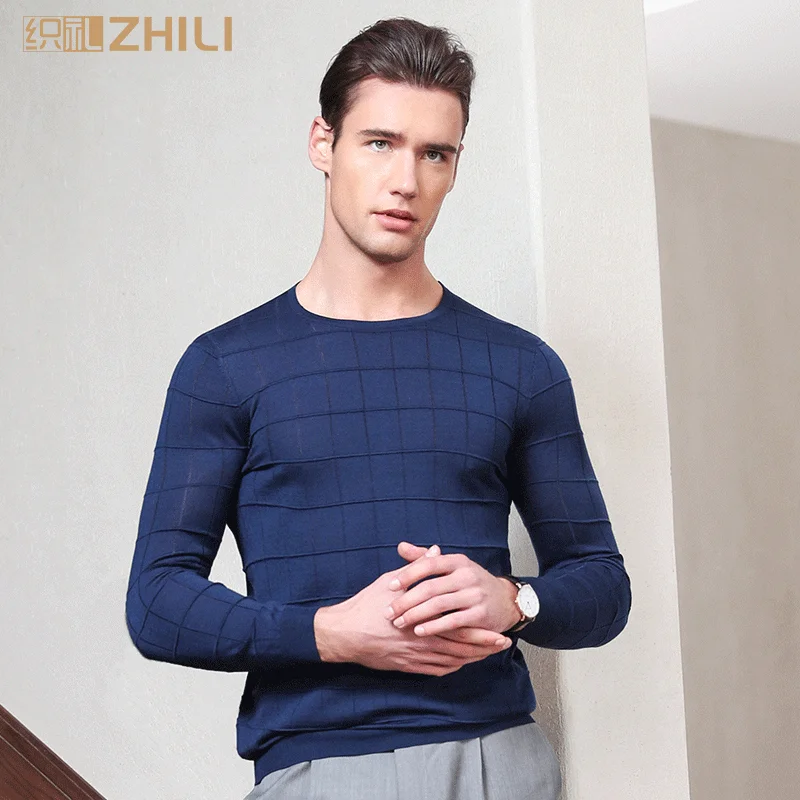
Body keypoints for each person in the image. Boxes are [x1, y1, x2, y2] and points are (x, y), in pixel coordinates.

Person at [125, 16, 631, 800]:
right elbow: (157, 602)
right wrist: (328, 634)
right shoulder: (224, 367)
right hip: (320, 769)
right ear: (323, 144)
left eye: (435, 153)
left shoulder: (519, 366)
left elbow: (602, 585)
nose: (407, 180)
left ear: (455, 168)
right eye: (380, 143)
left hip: (498, 759)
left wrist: (516, 601)